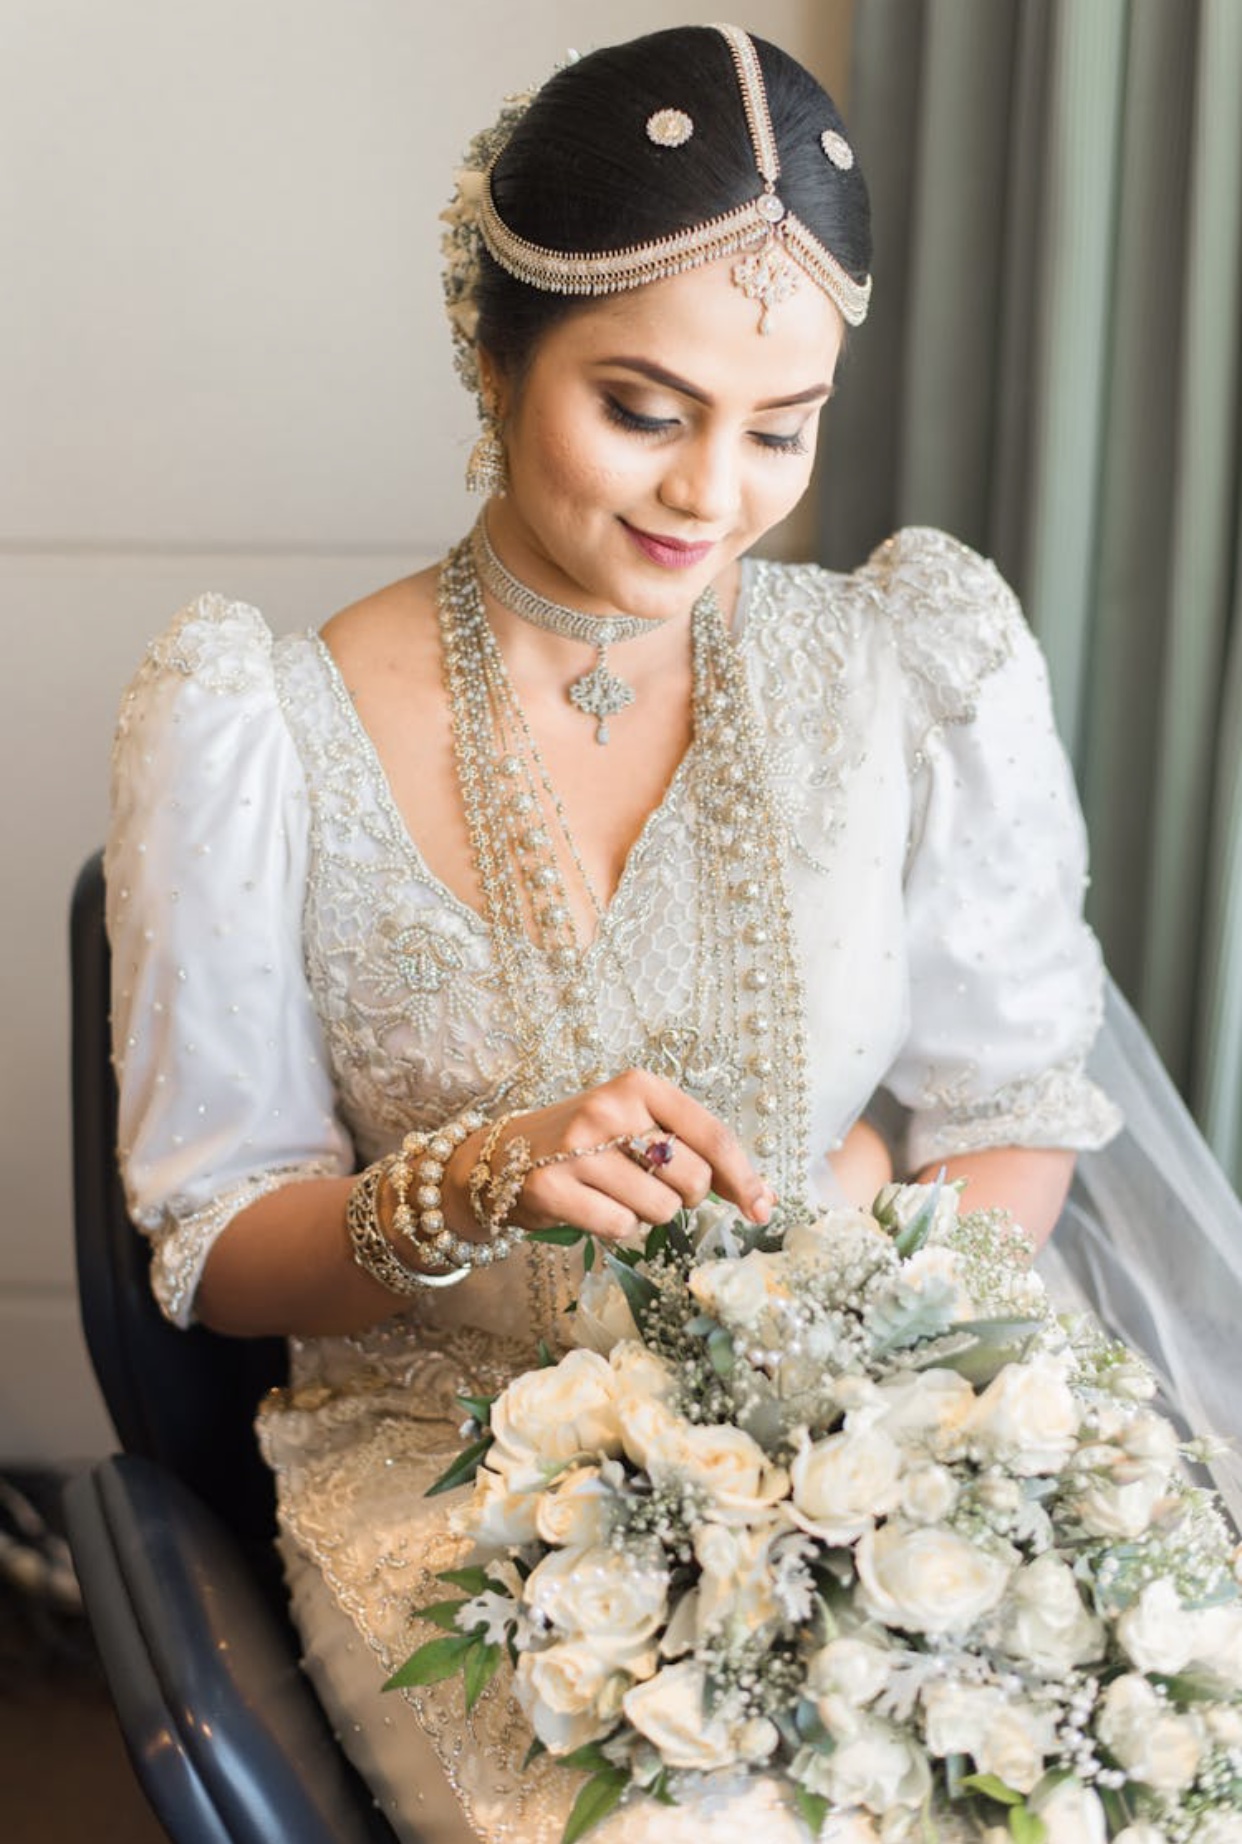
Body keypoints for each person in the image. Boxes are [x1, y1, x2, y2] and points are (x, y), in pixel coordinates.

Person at [106, 24, 1132, 1843]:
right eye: (644, 409)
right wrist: (477, 1182)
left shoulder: (906, 667)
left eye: (779, 428)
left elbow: (1009, 1109)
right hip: (468, 1496)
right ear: (490, 357)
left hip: (860, 1447)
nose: (707, 494)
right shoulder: (255, 721)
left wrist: (867, 1403)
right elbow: (209, 1243)